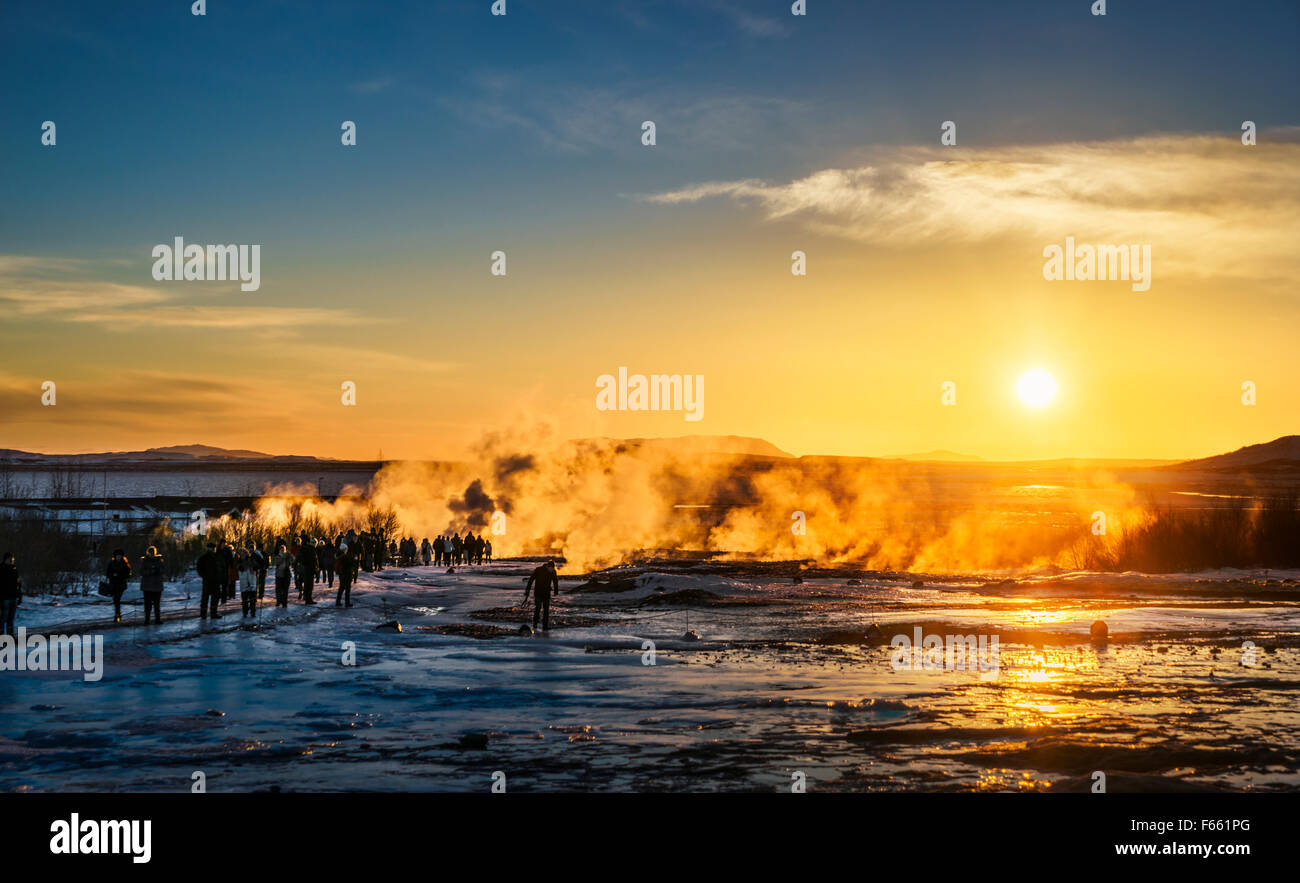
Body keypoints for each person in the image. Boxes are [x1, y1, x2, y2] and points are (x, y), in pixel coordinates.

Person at [522, 559, 560, 632]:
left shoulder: (553, 572)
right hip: (538, 593)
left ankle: (545, 626)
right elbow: (531, 580)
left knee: (546, 611)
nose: (552, 570)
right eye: (551, 568)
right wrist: (527, 591)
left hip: (546, 594)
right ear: (548, 566)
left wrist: (556, 591)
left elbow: (555, 581)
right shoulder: (538, 570)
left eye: (553, 568)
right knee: (538, 609)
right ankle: (535, 623)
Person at [196, 542, 225, 619]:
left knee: (215, 598)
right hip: (208, 581)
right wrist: (204, 576)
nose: (212, 549)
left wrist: (220, 577)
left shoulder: (217, 556)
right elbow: (199, 569)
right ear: (208, 548)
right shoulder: (204, 558)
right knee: (205, 598)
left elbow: (222, 568)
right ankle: (203, 614)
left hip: (216, 581)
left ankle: (213, 613)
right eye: (211, 548)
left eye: (213, 548)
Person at [139, 546, 165, 625]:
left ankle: (158, 619)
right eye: (150, 553)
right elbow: (141, 571)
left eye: (153, 553)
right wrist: (150, 571)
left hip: (157, 586)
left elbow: (163, 570)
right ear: (148, 553)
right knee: (147, 605)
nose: (152, 554)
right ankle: (147, 620)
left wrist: (158, 571)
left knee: (157, 604)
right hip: (147, 586)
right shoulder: (144, 561)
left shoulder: (159, 561)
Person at [106, 548, 132, 623]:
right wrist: (112, 575)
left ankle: (117, 614)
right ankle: (117, 613)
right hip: (113, 584)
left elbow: (128, 574)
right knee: (115, 600)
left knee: (117, 599)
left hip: (121, 584)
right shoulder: (111, 563)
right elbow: (107, 573)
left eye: (120, 556)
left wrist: (119, 575)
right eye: (117, 556)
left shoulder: (125, 564)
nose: (118, 557)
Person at [0, 552, 21, 636]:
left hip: (13, 597)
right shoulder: (1, 569)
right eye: (11, 559)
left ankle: (10, 635)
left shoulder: (14, 569)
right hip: (5, 598)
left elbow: (18, 582)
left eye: (13, 559)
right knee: (3, 618)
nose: (12, 560)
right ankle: (1, 635)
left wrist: (19, 595)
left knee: (11, 618)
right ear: (6, 559)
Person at [238, 546, 259, 617]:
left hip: (252, 583)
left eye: (244, 554)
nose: (242, 556)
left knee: (252, 600)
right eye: (241, 554)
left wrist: (253, 566)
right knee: (244, 600)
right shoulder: (239, 562)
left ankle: (253, 612)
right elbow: (239, 569)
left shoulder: (251, 560)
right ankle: (245, 612)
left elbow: (257, 567)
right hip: (243, 584)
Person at [298, 535, 318, 605]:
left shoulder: (307, 549)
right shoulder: (311, 551)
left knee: (307, 585)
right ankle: (308, 599)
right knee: (309, 585)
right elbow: (313, 562)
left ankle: (307, 598)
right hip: (309, 569)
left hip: (306, 569)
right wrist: (315, 570)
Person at [335, 542, 356, 607]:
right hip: (346, 574)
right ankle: (347, 603)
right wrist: (354, 560)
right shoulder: (344, 557)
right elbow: (349, 564)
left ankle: (338, 601)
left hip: (342, 574)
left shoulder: (338, 555)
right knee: (347, 589)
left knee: (341, 588)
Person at [272, 543, 293, 608]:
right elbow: (276, 562)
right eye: (281, 549)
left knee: (285, 589)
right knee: (278, 589)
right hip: (279, 575)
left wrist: (290, 556)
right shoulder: (277, 556)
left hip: (286, 575)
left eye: (283, 549)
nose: (282, 550)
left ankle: (284, 602)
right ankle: (278, 601)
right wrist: (283, 557)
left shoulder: (288, 556)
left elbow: (293, 561)